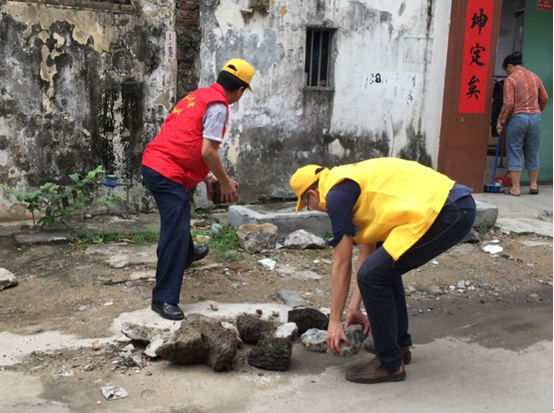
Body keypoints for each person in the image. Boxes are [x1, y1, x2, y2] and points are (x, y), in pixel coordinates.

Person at [290, 157, 476, 384]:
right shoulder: (346, 182)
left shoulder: (335, 196)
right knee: (380, 270)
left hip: (448, 211)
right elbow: (367, 254)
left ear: (313, 193)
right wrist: (353, 307)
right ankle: (398, 345)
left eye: (308, 205)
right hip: (452, 205)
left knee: (373, 276)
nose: (316, 210)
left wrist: (335, 322)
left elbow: (342, 264)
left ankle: (389, 364)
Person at [141, 59, 255, 320]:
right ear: (240, 90)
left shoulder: (198, 96)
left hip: (156, 163)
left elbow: (185, 140)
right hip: (165, 172)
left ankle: (187, 254)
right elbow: (207, 151)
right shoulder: (219, 107)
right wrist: (224, 181)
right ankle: (163, 299)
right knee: (174, 231)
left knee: (178, 217)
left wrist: (207, 177)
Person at [496, 51, 549, 197]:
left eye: (506, 69)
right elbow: (545, 97)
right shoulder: (534, 76)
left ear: (509, 66)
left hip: (518, 118)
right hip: (535, 118)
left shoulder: (511, 79)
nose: (507, 72)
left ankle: (515, 188)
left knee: (514, 150)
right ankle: (533, 185)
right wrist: (537, 111)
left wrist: (500, 120)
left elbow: (508, 103)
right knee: (532, 150)